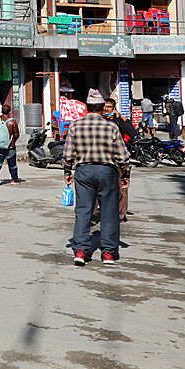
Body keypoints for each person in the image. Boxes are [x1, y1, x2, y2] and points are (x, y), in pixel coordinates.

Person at [63, 89, 130, 266]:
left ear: (86, 108)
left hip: (83, 171)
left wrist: (67, 172)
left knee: (83, 210)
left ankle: (80, 251)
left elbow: (68, 154)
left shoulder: (75, 126)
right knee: (109, 211)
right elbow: (123, 155)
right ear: (102, 108)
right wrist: (126, 174)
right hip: (107, 172)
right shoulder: (112, 126)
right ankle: (108, 253)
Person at [101, 98, 137, 222]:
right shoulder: (99, 120)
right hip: (103, 158)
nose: (106, 109)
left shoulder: (121, 120)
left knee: (121, 187)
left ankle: (121, 214)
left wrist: (119, 119)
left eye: (109, 107)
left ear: (114, 108)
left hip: (118, 158)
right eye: (104, 106)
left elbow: (132, 133)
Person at [0, 105, 22, 187]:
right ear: (10, 111)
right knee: (12, 164)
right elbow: (16, 134)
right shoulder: (12, 122)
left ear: (1, 111)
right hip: (10, 147)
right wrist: (12, 142)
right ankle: (14, 179)